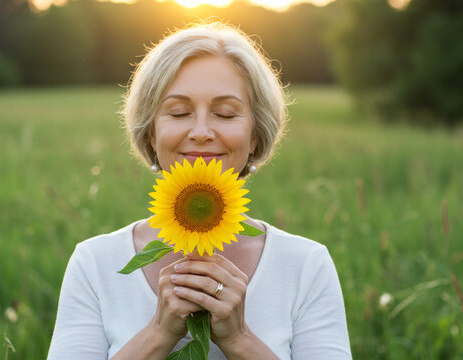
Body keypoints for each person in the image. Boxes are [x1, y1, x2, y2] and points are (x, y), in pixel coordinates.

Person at [47, 22, 351, 359]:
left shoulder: (305, 266)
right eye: (178, 112)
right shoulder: (95, 265)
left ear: (254, 135)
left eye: (225, 113)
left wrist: (238, 339)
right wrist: (158, 334)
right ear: (151, 133)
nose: (201, 131)